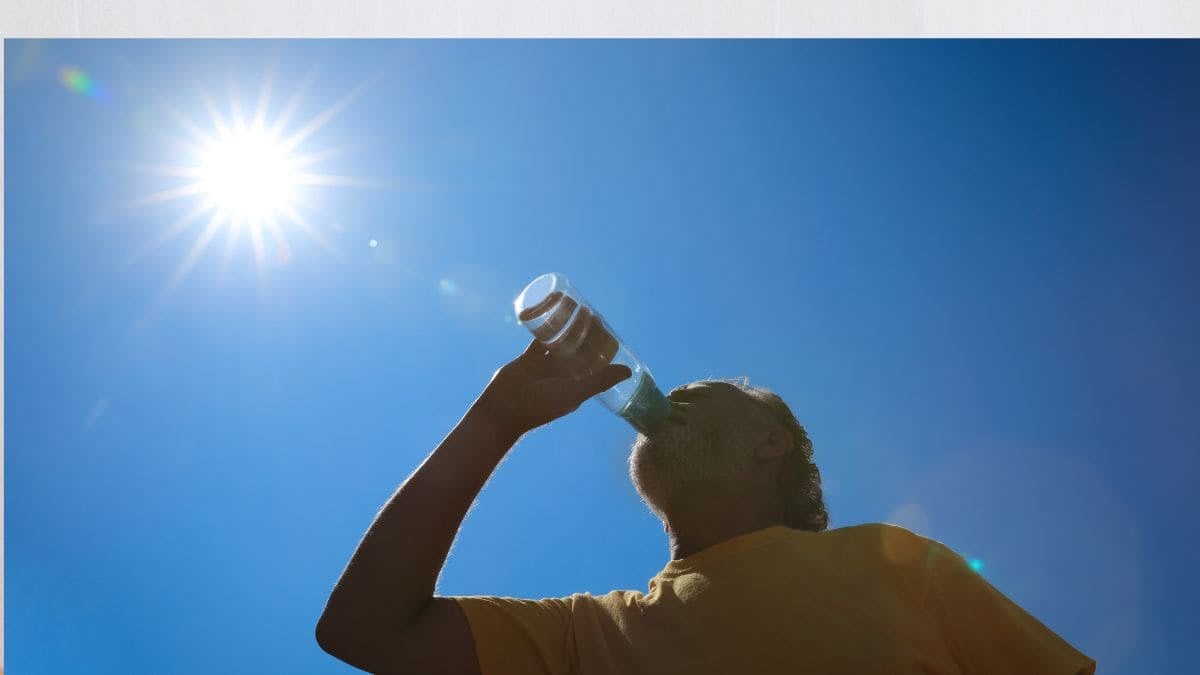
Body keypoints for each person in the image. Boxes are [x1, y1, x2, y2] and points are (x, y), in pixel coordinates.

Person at [316, 338, 1096, 675]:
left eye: (703, 398)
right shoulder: (592, 634)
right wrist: (493, 421)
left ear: (771, 445)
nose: (671, 399)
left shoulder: (891, 561)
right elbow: (364, 627)